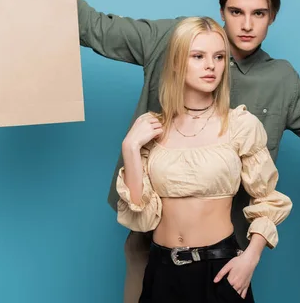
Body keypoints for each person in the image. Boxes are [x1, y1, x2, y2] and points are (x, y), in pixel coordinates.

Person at [7, 0, 300, 302]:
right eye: (236, 11)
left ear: (273, 16)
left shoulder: (281, 80)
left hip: (226, 248)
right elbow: (94, 28)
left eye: (259, 13)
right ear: (221, 9)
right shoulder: (171, 40)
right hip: (150, 235)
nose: (247, 24)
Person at [118, 15, 291, 302]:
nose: (211, 66)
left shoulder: (239, 125)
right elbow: (141, 217)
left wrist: (250, 258)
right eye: (198, 56)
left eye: (219, 57)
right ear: (176, 62)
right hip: (161, 272)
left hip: (219, 270)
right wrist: (130, 147)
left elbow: (268, 199)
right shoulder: (151, 128)